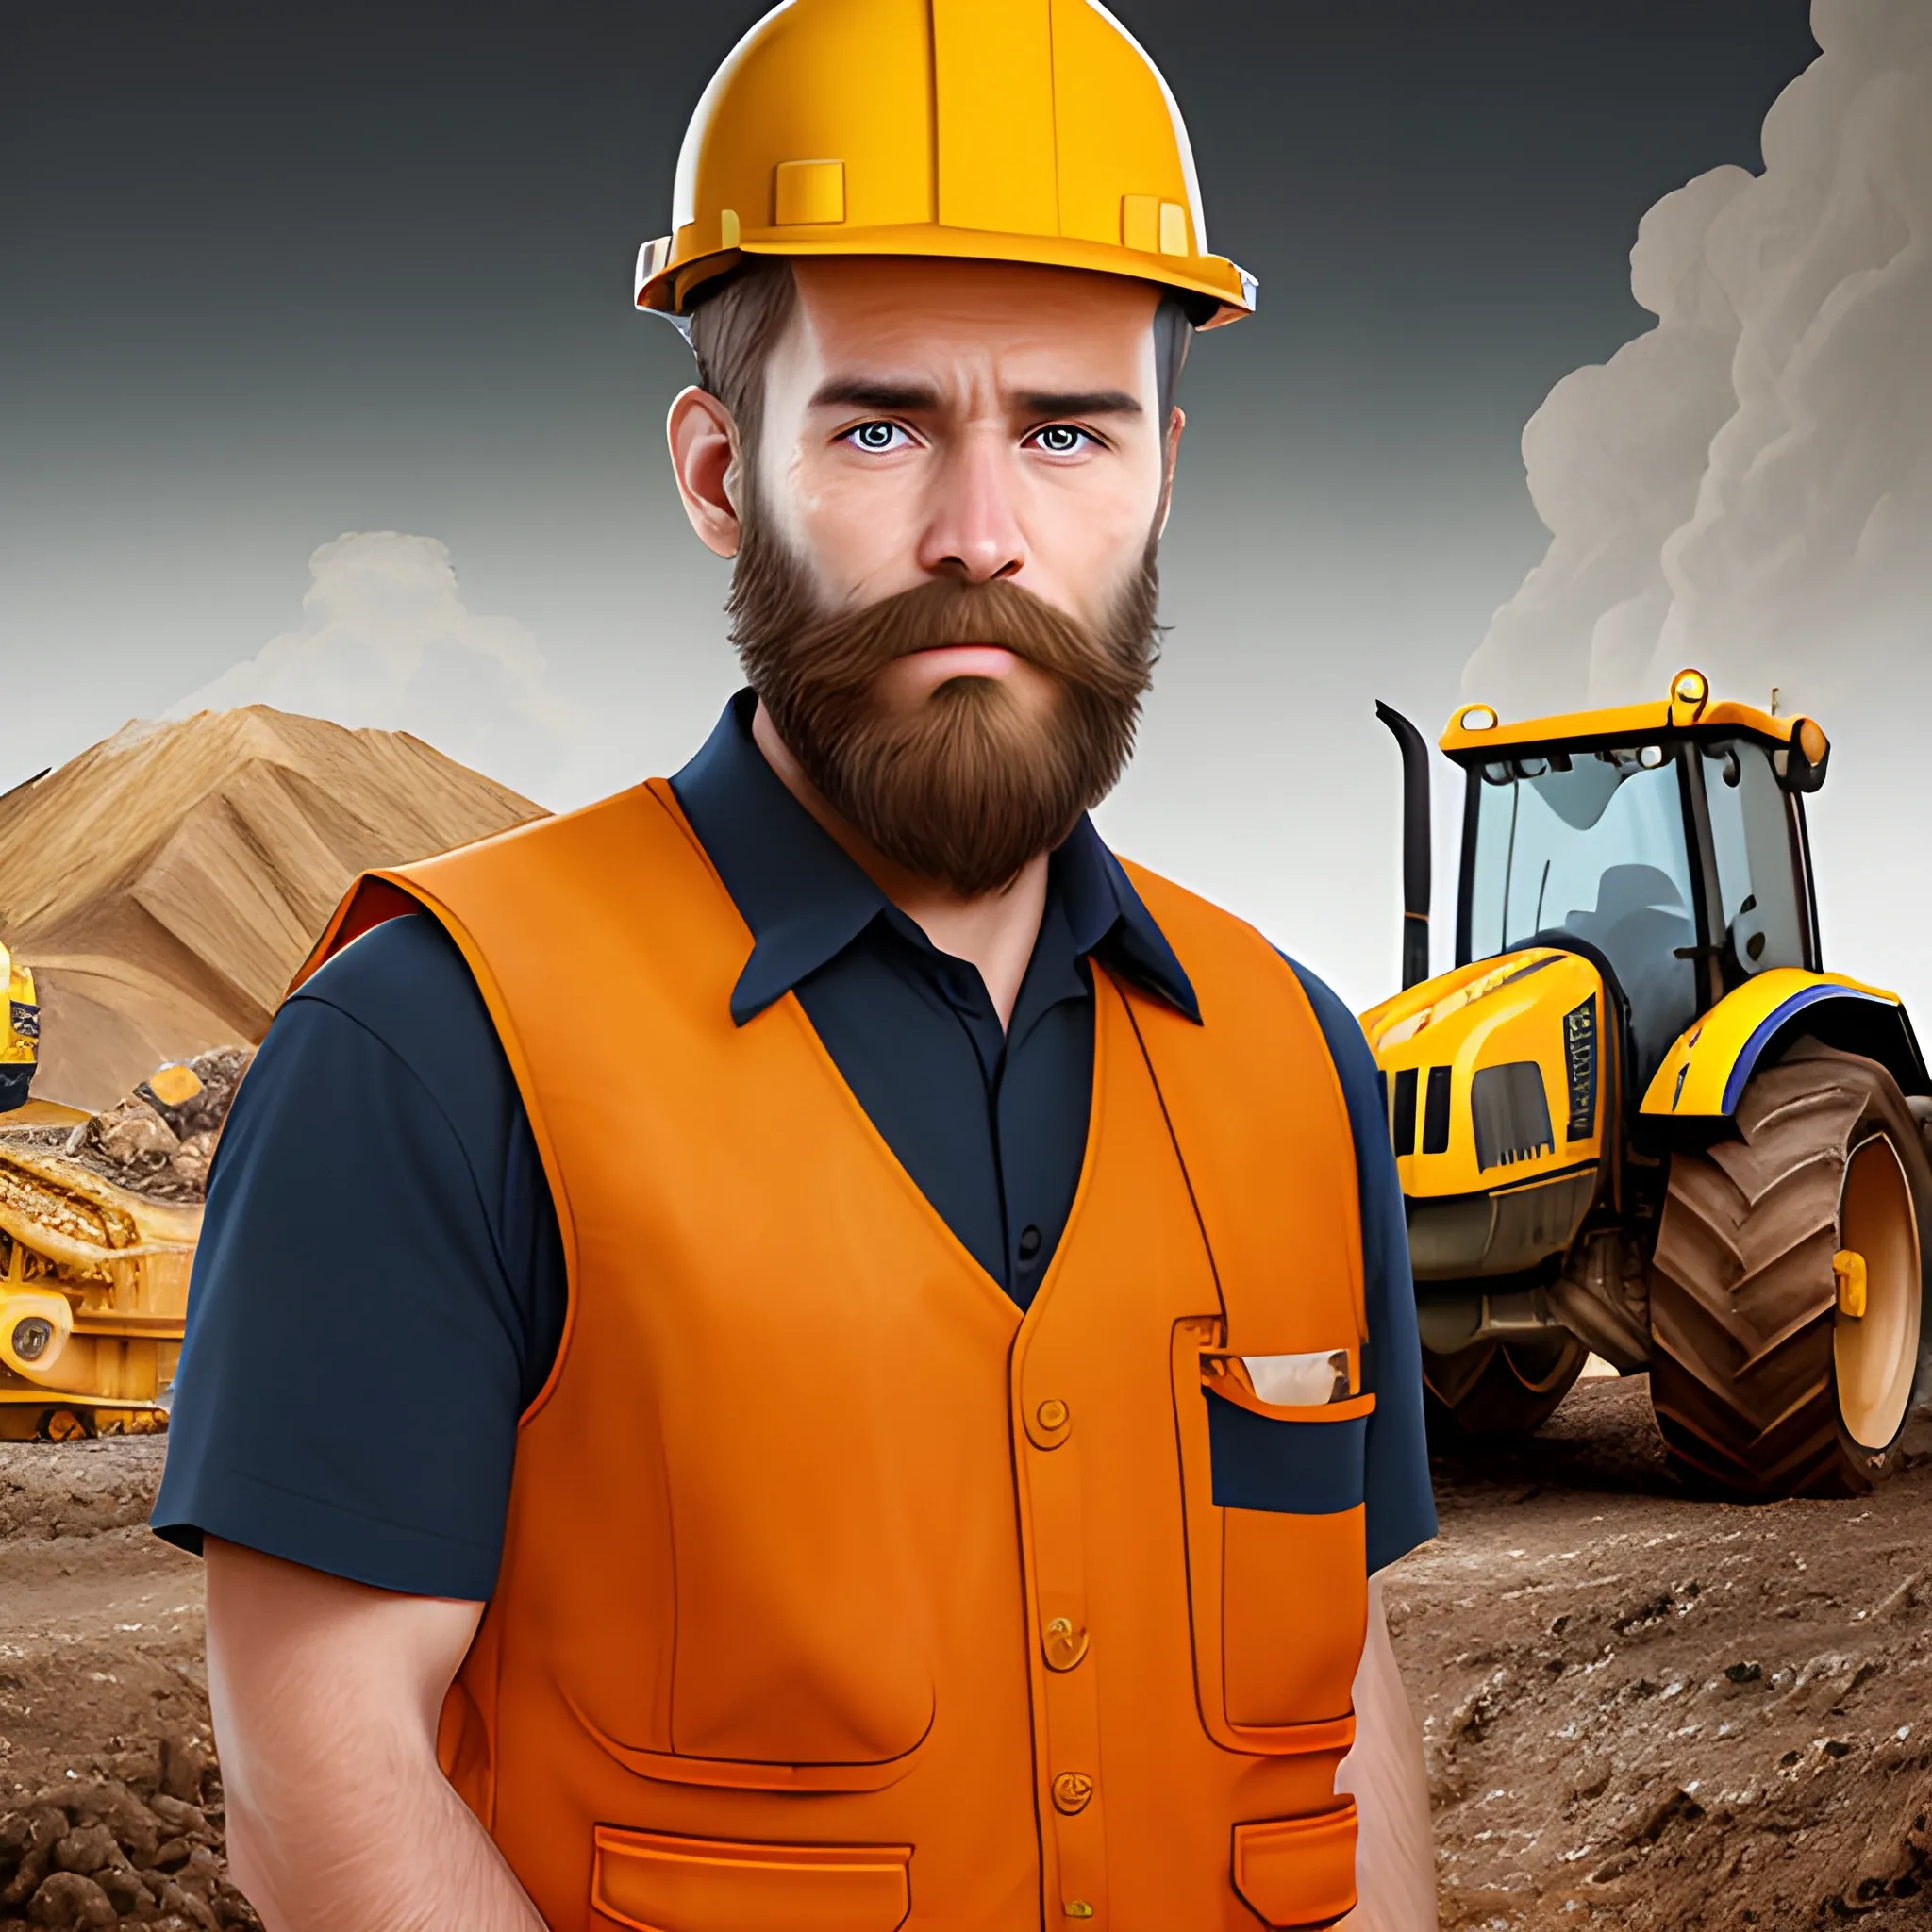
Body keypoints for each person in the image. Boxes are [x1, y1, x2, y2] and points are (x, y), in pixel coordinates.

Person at [153, 3, 1440, 1926]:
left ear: (1162, 472)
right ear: (712, 469)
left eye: (1064, 429)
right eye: (879, 421)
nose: (979, 533)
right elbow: (323, 1779)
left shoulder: (1291, 1058)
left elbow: (1334, 1702)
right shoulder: (431, 1045)